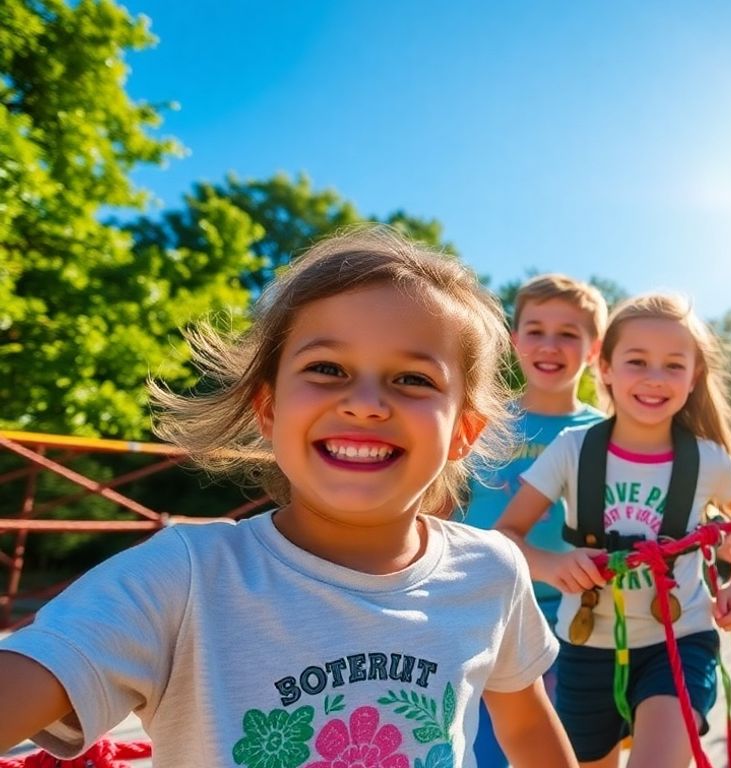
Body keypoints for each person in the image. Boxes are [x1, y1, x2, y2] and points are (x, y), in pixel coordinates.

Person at [0, 227, 575, 766]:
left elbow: (526, 726)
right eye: (327, 368)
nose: (365, 404)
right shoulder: (183, 579)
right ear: (269, 409)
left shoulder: (491, 571)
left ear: (464, 432)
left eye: (413, 379)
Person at [495, 293, 731, 768]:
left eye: (673, 365)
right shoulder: (573, 449)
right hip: (585, 649)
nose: (654, 378)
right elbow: (506, 536)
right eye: (637, 361)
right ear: (605, 368)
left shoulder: (707, 459)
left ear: (693, 377)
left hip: (681, 641)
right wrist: (553, 565)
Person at [462, 273, 608, 767]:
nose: (550, 345)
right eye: (536, 330)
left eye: (568, 333)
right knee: (483, 751)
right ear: (514, 340)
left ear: (594, 350)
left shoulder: (607, 435)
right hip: (481, 610)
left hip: (572, 621)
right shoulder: (482, 423)